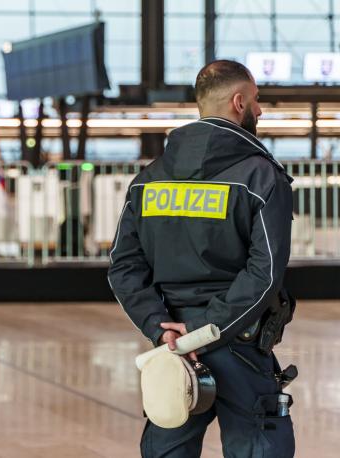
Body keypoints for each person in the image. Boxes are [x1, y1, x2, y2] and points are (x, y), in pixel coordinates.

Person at [108, 60, 295, 457]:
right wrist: (204, 328)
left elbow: (124, 267)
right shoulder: (261, 178)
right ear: (239, 102)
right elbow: (264, 274)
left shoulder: (148, 181)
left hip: (173, 352)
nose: (260, 111)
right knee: (258, 444)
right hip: (238, 342)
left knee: (168, 447)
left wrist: (164, 330)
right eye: (257, 101)